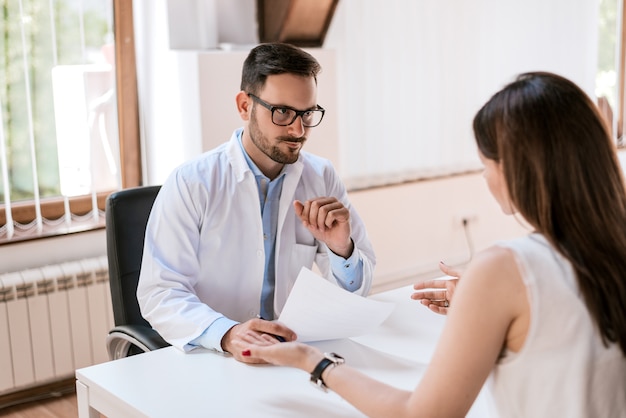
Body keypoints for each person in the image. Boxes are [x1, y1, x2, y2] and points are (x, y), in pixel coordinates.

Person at [242, 72, 626, 417]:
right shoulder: (608, 249)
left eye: (485, 163)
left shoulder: (504, 269)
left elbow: (421, 414)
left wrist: (314, 362)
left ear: (517, 166)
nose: (484, 175)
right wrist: (497, 310)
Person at [137, 42, 376, 363]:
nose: (298, 129)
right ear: (244, 106)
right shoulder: (192, 182)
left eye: (307, 113)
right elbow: (160, 292)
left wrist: (340, 250)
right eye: (282, 112)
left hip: (293, 351)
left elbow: (355, 296)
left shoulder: (321, 176)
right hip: (211, 353)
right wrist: (227, 333)